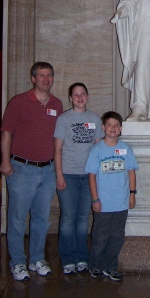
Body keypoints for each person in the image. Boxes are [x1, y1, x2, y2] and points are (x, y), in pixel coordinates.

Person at [0, 62, 63, 281]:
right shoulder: (19, 102)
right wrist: (5, 162)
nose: (46, 79)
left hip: (47, 170)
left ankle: (36, 258)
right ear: (33, 78)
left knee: (41, 218)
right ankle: (17, 262)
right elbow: (6, 133)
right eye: (42, 75)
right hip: (21, 168)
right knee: (17, 218)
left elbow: (58, 138)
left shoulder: (57, 104)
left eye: (49, 75)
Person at [54, 83, 104, 274]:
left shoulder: (94, 119)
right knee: (68, 217)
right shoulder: (64, 119)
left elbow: (99, 149)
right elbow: (57, 149)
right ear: (70, 98)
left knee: (83, 218)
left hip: (88, 176)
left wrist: (98, 177)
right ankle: (67, 257)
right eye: (76, 94)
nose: (80, 97)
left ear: (88, 96)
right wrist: (59, 174)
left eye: (83, 94)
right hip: (68, 174)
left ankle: (82, 257)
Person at [84, 111, 138, 281]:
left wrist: (132, 194)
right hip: (103, 204)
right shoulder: (97, 150)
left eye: (116, 125)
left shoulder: (125, 149)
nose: (113, 128)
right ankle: (95, 265)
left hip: (121, 203)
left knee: (117, 237)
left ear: (120, 128)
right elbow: (92, 175)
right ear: (103, 127)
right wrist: (95, 199)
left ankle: (110, 266)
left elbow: (131, 172)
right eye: (109, 125)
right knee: (100, 237)